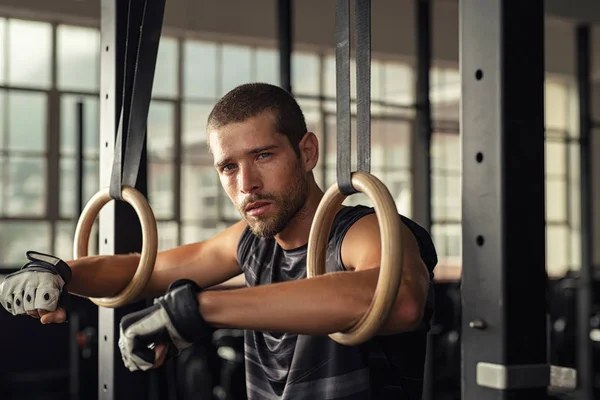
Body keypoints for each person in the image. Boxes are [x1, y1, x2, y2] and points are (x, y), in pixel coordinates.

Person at [0, 83, 438, 399]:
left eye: (263, 155)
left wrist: (202, 311)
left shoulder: (361, 231)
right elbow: (141, 270)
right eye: (228, 167)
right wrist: (62, 272)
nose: (246, 183)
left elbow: (396, 299)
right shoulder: (250, 242)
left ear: (307, 153)